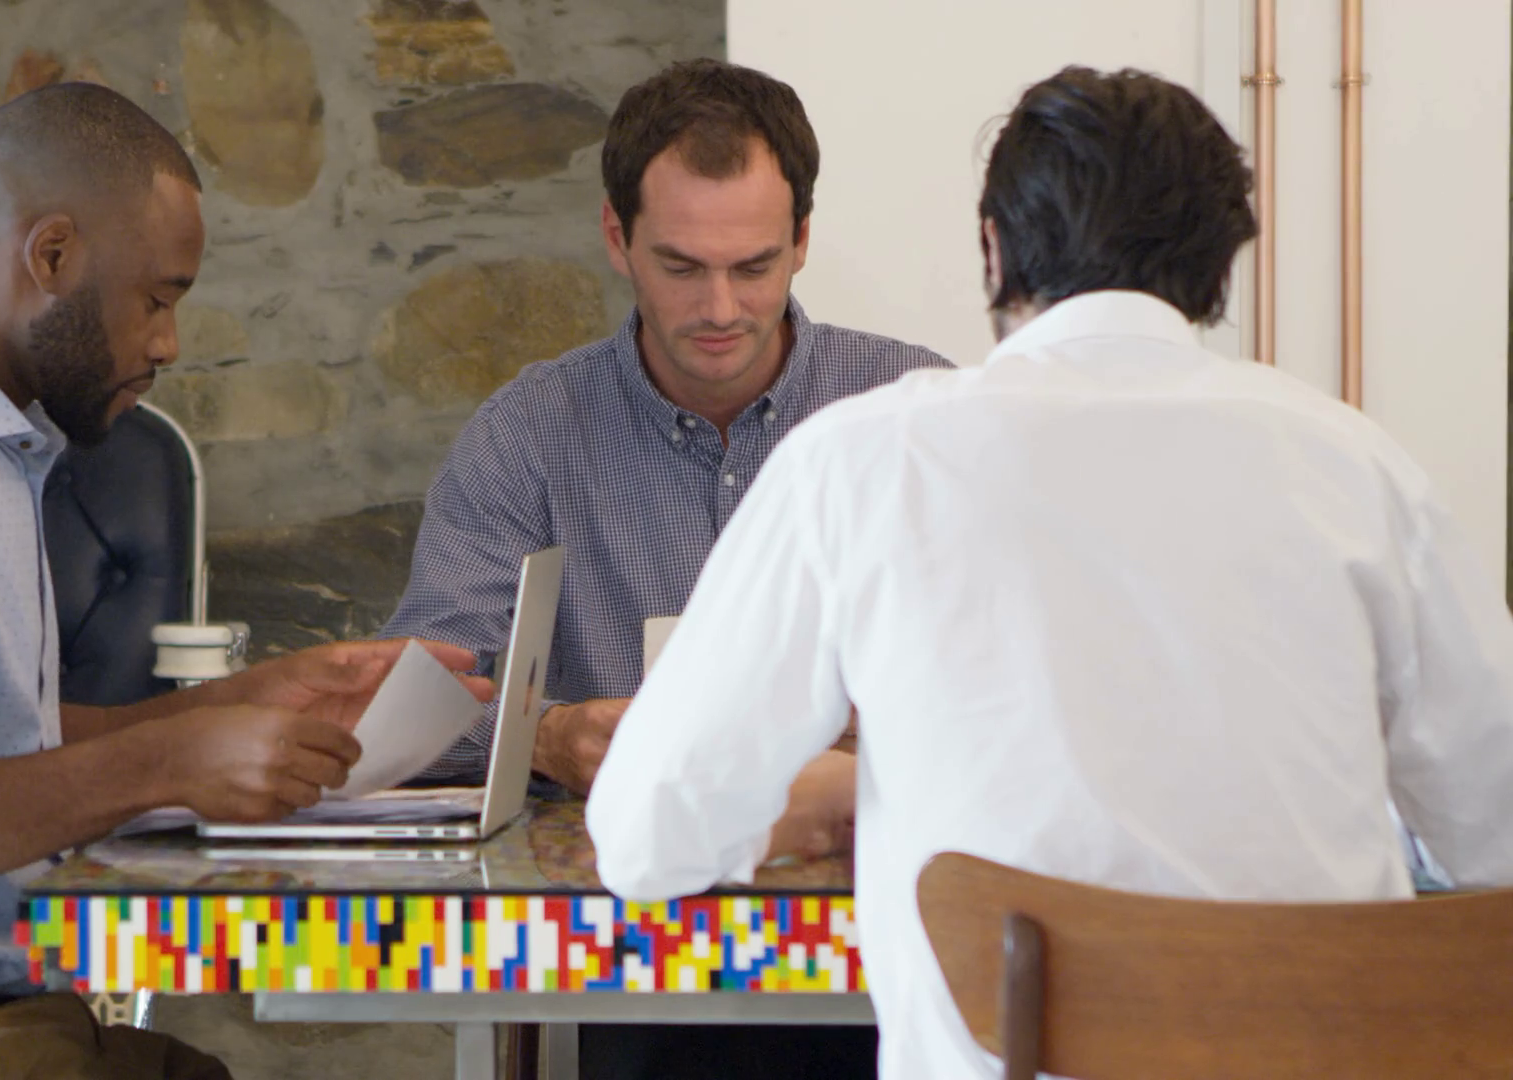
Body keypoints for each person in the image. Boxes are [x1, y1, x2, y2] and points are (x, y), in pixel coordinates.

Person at [586, 64, 1513, 1080]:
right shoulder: (1356, 467)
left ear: (995, 247)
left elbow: (645, 839)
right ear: (1221, 264)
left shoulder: (861, 463)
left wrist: (838, 796)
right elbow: (1499, 832)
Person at [0, 83, 489, 1080]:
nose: (168, 344)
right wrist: (166, 763)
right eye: (157, 298)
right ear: (53, 256)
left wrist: (234, 705)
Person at [381, 58, 948, 1079]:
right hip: (621, 965)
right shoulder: (532, 433)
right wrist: (549, 737)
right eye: (682, 267)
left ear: (803, 241)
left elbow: (1030, 684)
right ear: (617, 239)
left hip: (893, 961)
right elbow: (412, 704)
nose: (721, 307)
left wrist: (892, 727)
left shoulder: (915, 410)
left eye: (755, 266)